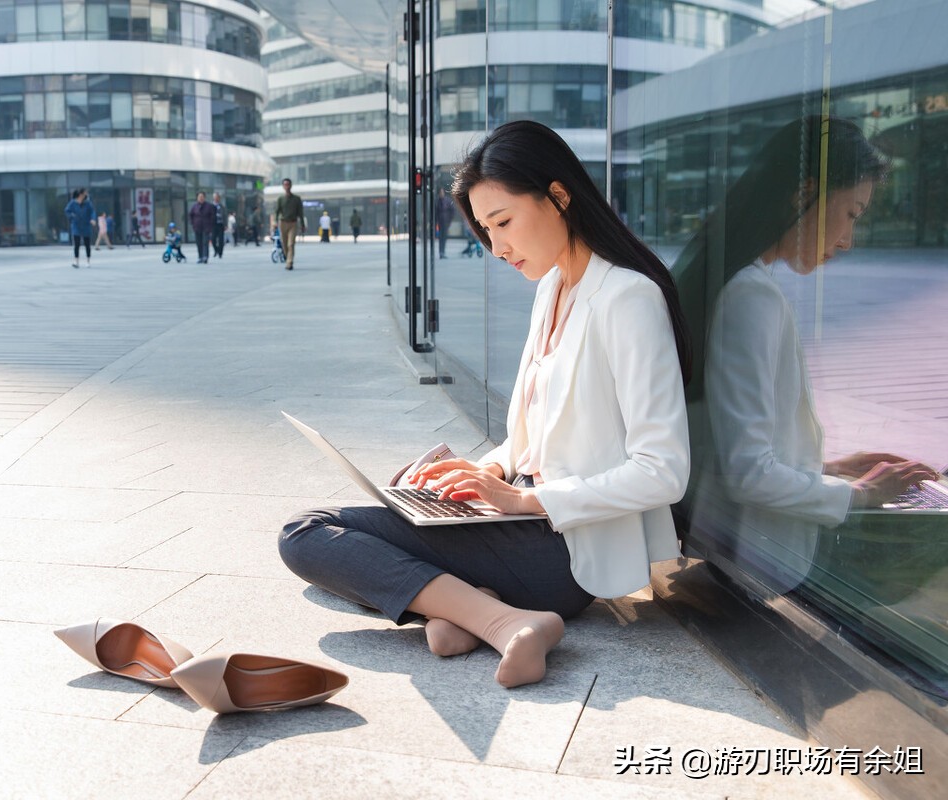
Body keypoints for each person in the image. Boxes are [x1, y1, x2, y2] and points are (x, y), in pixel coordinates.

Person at [278, 120, 692, 688]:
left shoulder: (628, 299)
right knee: (351, 528)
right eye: (484, 229)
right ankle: (471, 606)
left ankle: (502, 622)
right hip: (519, 520)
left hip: (564, 548)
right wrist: (483, 471)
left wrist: (523, 502)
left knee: (306, 533)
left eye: (503, 223)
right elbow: (531, 442)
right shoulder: (552, 289)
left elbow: (663, 472)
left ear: (559, 196)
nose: (497, 248)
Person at [680, 117, 941, 599]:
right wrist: (860, 495)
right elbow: (746, 472)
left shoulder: (731, 280)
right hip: (774, 558)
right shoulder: (751, 295)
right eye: (852, 213)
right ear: (804, 194)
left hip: (738, 545)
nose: (848, 240)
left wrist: (829, 468)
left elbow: (734, 449)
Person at [274, 178, 304, 270]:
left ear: (291, 186)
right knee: (284, 244)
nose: (286, 186)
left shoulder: (297, 199)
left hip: (293, 223)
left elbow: (300, 212)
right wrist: (275, 223)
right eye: (285, 184)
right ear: (283, 186)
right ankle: (288, 258)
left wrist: (302, 224)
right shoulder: (280, 199)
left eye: (288, 184)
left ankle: (289, 262)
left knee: (291, 244)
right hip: (282, 223)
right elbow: (277, 211)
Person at [65, 187, 97, 268]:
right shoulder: (72, 203)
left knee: (87, 244)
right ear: (80, 194)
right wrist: (72, 216)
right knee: (77, 244)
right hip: (76, 225)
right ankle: (76, 262)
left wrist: (93, 219)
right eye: (84, 193)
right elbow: (67, 211)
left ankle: (88, 261)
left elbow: (92, 211)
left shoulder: (88, 203)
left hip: (86, 225)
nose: (85, 195)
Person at [189, 191, 215, 263]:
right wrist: (193, 224)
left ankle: (205, 257)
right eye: (199, 197)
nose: (201, 198)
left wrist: (210, 225)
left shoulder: (209, 206)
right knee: (199, 243)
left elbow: (212, 217)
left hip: (206, 227)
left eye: (202, 197)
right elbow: (191, 215)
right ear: (197, 198)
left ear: (204, 197)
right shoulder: (194, 206)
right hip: (197, 227)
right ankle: (200, 256)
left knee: (205, 242)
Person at [436, 188, 456, 258]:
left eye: (442, 192)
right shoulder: (437, 201)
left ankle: (443, 252)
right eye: (440, 192)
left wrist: (449, 220)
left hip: (446, 222)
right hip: (440, 222)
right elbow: (435, 212)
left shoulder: (447, 201)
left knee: (444, 237)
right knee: (440, 238)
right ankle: (441, 252)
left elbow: (453, 210)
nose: (441, 193)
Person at [211, 192, 226, 259]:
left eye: (217, 197)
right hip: (213, 224)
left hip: (221, 224)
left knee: (221, 240)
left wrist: (225, 224)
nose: (216, 198)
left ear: (219, 198)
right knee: (213, 239)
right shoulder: (211, 206)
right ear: (213, 198)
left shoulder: (222, 206)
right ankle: (216, 250)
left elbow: (225, 215)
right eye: (215, 197)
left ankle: (220, 253)